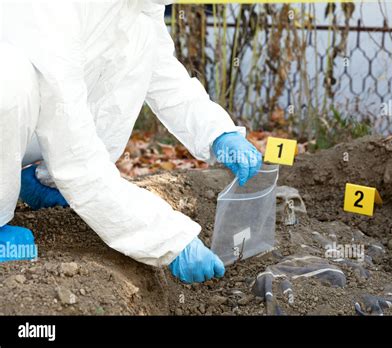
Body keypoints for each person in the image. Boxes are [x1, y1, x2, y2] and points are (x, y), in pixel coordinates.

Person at [0, 0, 262, 283]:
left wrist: (219, 133)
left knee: (129, 56)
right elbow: (74, 149)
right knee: (9, 79)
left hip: (28, 130)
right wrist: (168, 240)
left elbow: (165, 78)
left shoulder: (137, 8)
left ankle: (45, 178)